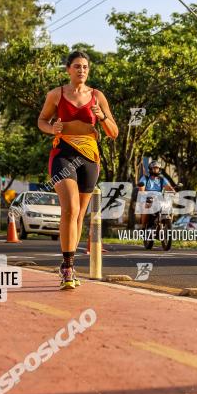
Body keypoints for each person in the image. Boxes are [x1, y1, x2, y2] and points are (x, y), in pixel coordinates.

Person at [38, 50, 118, 289]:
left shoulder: (97, 96)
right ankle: (67, 266)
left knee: (80, 215)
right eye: (77, 66)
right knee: (70, 208)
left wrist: (102, 116)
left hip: (90, 156)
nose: (81, 70)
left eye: (85, 67)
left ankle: (70, 266)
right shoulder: (56, 94)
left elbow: (113, 132)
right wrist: (52, 129)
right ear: (68, 70)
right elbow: (42, 120)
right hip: (63, 152)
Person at [137, 161, 175, 231]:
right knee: (146, 208)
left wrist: (173, 190)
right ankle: (143, 227)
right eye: (154, 168)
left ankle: (167, 224)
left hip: (159, 198)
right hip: (148, 197)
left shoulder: (162, 179)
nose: (156, 170)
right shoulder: (145, 178)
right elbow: (141, 189)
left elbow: (168, 187)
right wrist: (143, 192)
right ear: (150, 169)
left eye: (157, 168)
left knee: (170, 208)